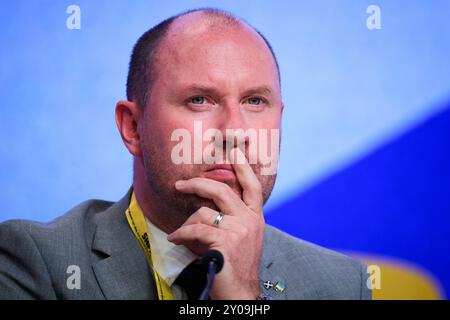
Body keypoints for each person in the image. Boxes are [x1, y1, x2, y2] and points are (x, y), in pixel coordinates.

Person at [0, 8, 371, 300]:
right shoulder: (35, 264)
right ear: (132, 127)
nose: (234, 133)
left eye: (255, 101)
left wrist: (242, 295)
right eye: (199, 100)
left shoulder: (340, 285)